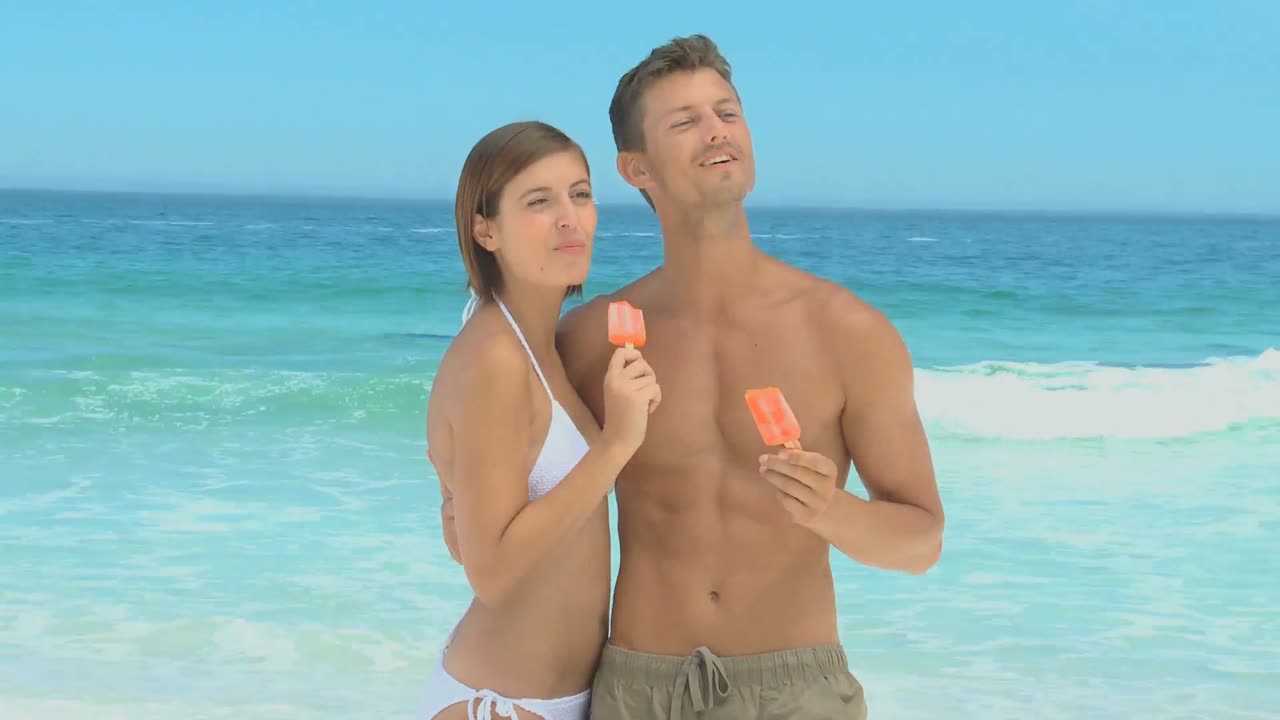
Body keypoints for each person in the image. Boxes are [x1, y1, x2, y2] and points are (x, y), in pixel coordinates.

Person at [551, 35, 947, 719]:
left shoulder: (846, 332)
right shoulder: (588, 341)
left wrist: (831, 510)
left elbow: (922, 543)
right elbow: (525, 520)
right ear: (636, 168)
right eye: (685, 121)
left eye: (728, 113)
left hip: (795, 691)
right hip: (639, 689)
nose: (716, 131)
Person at [421, 120, 662, 720]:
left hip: (561, 698)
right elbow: (493, 574)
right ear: (486, 229)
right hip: (503, 703)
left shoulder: (538, 346)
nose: (569, 218)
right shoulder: (495, 358)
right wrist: (616, 445)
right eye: (539, 202)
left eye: (580, 194)